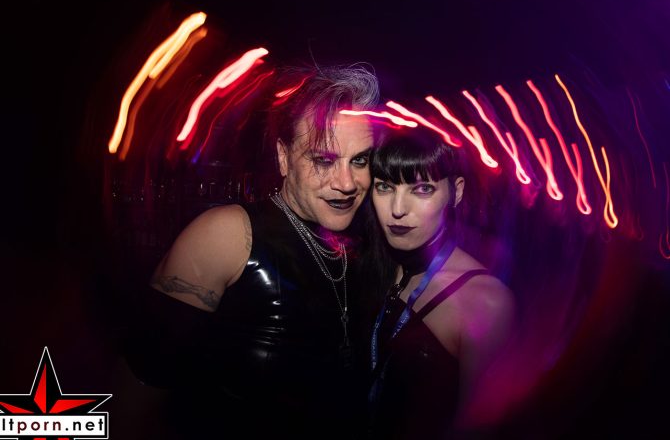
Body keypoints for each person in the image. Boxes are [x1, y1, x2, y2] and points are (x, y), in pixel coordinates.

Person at [123, 64, 380, 439]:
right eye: (323, 160)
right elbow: (143, 384)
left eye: (359, 160)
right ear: (283, 157)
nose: (347, 183)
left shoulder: (364, 246)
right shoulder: (227, 233)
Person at [362, 126, 515, 439]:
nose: (397, 210)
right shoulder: (372, 267)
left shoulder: (485, 301)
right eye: (385, 187)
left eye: (422, 189)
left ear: (455, 192)